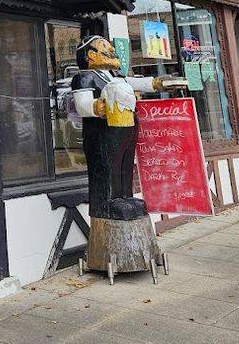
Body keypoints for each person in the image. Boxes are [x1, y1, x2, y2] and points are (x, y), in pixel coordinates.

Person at [71, 35, 182, 220]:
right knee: (108, 163)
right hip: (101, 133)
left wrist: (156, 83)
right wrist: (97, 106)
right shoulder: (83, 77)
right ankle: (107, 201)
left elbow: (133, 82)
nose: (112, 50)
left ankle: (125, 196)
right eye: (105, 47)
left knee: (125, 161)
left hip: (125, 125)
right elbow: (82, 105)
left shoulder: (115, 76)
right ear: (90, 55)